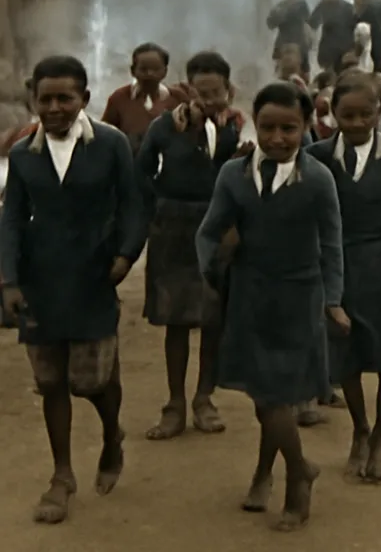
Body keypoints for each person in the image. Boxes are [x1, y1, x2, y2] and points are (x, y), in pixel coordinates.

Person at [0, 56, 146, 525]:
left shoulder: (111, 145)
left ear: (84, 99)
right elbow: (11, 222)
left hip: (94, 276)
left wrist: (125, 255)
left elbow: (133, 205)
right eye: (46, 98)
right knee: (50, 382)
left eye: (66, 97)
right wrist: (8, 279)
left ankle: (111, 436)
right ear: (34, 100)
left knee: (95, 379)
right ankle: (61, 476)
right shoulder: (23, 155)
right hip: (42, 281)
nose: (56, 107)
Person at [195, 82, 343, 531]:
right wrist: (214, 275)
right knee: (265, 394)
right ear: (254, 124)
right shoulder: (232, 175)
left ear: (306, 128)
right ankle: (284, 470)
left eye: (289, 128)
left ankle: (294, 477)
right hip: (249, 293)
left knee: (276, 394)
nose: (278, 138)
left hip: (300, 297)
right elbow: (208, 231)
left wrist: (333, 300)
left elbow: (333, 245)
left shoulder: (318, 178)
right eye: (268, 127)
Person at [308, 74, 381, 483]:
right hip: (338, 269)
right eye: (347, 115)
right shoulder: (318, 156)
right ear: (332, 114)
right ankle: (359, 428)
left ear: (380, 112)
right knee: (347, 356)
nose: (356, 123)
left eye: (366, 114)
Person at [136, 50, 245, 439]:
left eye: (217, 92)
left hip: (218, 232)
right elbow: (142, 172)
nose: (210, 99)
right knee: (176, 320)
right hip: (174, 230)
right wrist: (157, 212)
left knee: (213, 318)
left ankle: (204, 397)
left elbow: (244, 179)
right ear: (189, 90)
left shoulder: (236, 128)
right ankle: (175, 403)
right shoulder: (165, 128)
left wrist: (234, 225)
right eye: (202, 92)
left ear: (229, 91)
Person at [101, 43, 186, 153]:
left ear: (165, 72)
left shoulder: (177, 97)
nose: (149, 74)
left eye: (156, 69)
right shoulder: (119, 98)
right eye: (143, 69)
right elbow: (105, 135)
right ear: (133, 70)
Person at [309, 0, 357, 72]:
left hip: (345, 49)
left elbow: (355, 27)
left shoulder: (347, 7)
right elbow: (312, 24)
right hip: (328, 51)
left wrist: (353, 49)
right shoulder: (322, 6)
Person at [266, 0, 311, 71]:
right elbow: (270, 24)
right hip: (283, 43)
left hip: (299, 43)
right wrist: (279, 15)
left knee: (303, 71)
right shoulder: (279, 7)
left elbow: (308, 19)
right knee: (280, 71)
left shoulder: (302, 5)